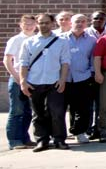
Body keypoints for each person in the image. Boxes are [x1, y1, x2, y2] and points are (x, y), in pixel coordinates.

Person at [19, 14, 71, 152]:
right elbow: (23, 63)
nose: (44, 25)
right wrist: (23, 81)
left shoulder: (61, 41)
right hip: (34, 82)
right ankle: (42, 141)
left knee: (57, 112)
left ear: (52, 23)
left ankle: (59, 140)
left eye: (47, 23)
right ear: (37, 24)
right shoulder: (29, 42)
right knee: (38, 113)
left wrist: (62, 80)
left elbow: (65, 62)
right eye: (41, 23)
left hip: (54, 81)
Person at [61, 14, 96, 144]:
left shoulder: (91, 40)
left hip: (83, 77)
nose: (80, 24)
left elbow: (93, 58)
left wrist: (92, 72)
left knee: (82, 108)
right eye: (77, 21)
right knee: (60, 108)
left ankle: (79, 132)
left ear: (86, 24)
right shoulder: (61, 38)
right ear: (71, 23)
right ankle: (59, 134)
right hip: (63, 79)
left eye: (83, 21)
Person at [6, 15, 38, 149]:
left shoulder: (37, 39)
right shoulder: (16, 40)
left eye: (31, 24)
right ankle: (14, 141)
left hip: (33, 79)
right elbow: (7, 61)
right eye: (26, 24)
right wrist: (17, 78)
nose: (29, 26)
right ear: (20, 25)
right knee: (17, 111)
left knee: (27, 111)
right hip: (17, 79)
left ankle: (25, 138)